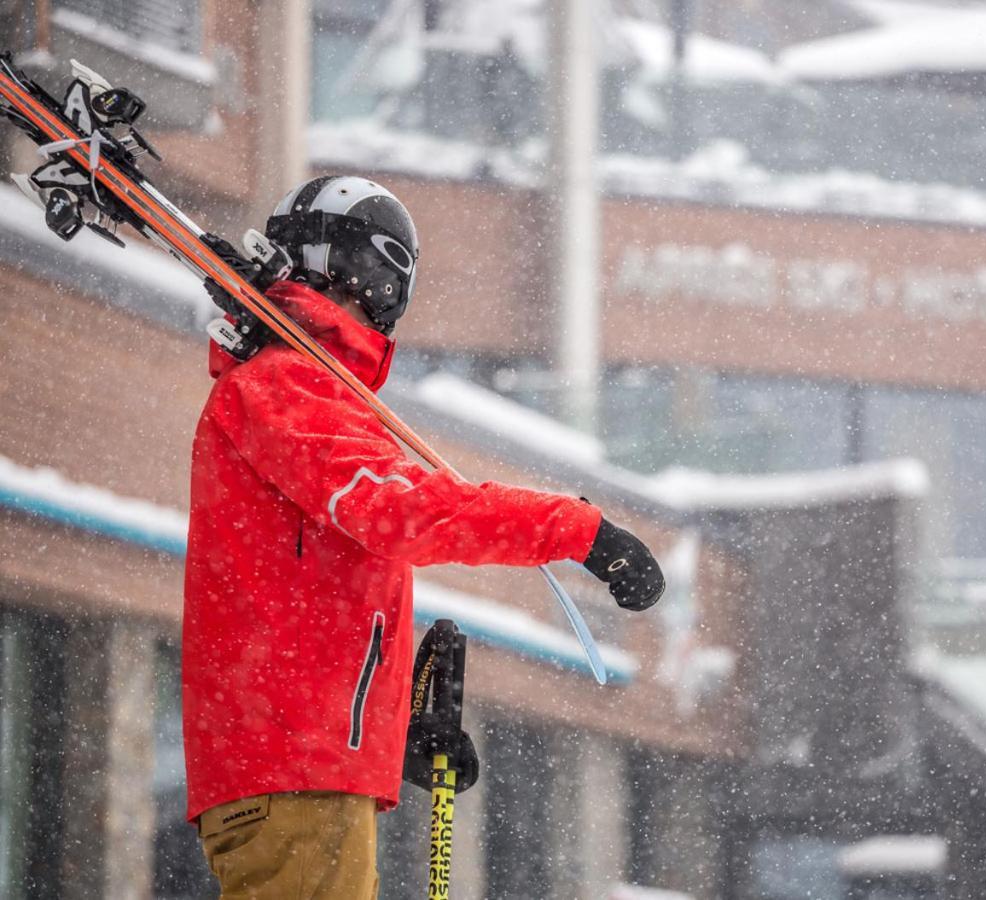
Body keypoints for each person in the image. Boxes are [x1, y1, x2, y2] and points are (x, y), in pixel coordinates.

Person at [183, 175, 664, 898]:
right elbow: (400, 513)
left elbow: (311, 594)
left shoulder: (304, 393)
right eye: (377, 277)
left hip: (310, 768)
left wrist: (397, 720)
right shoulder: (284, 387)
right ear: (338, 267)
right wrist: (576, 529)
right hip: (295, 771)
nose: (380, 301)